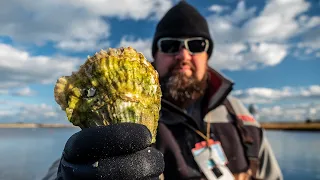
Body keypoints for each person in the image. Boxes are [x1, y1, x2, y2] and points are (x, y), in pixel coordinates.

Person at [43, 1, 283, 180]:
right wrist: (68, 173)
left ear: (207, 55)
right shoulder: (123, 108)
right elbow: (67, 165)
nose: (183, 55)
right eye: (170, 45)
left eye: (197, 45)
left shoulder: (242, 118)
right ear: (155, 56)